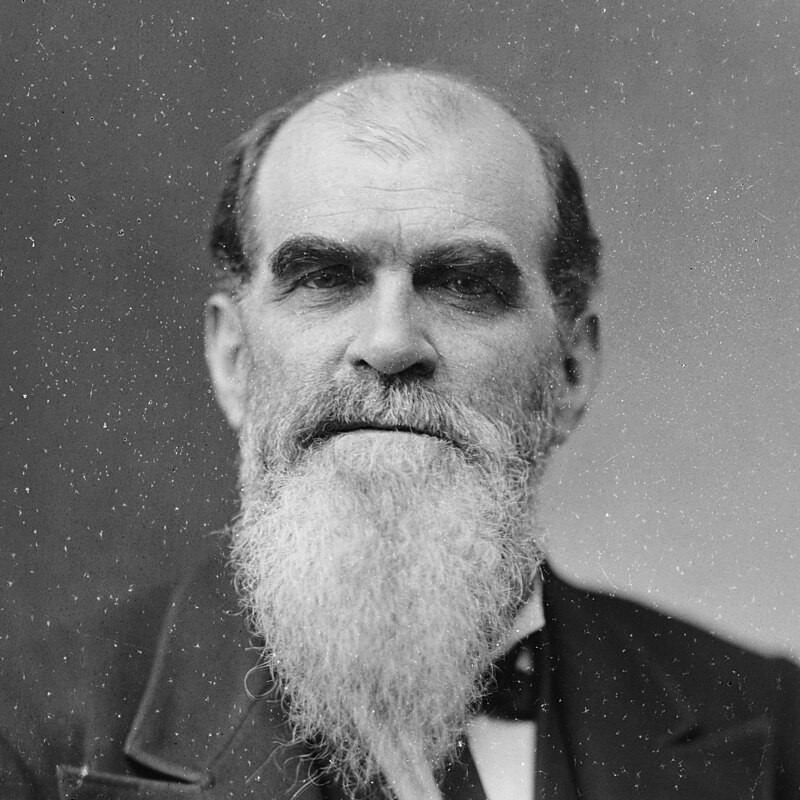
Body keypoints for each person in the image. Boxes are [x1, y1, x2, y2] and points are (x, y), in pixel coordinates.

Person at [2, 65, 798, 800]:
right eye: (324, 278)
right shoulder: (30, 730)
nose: (389, 344)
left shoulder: (772, 720)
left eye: (464, 284)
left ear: (571, 371)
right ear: (233, 359)